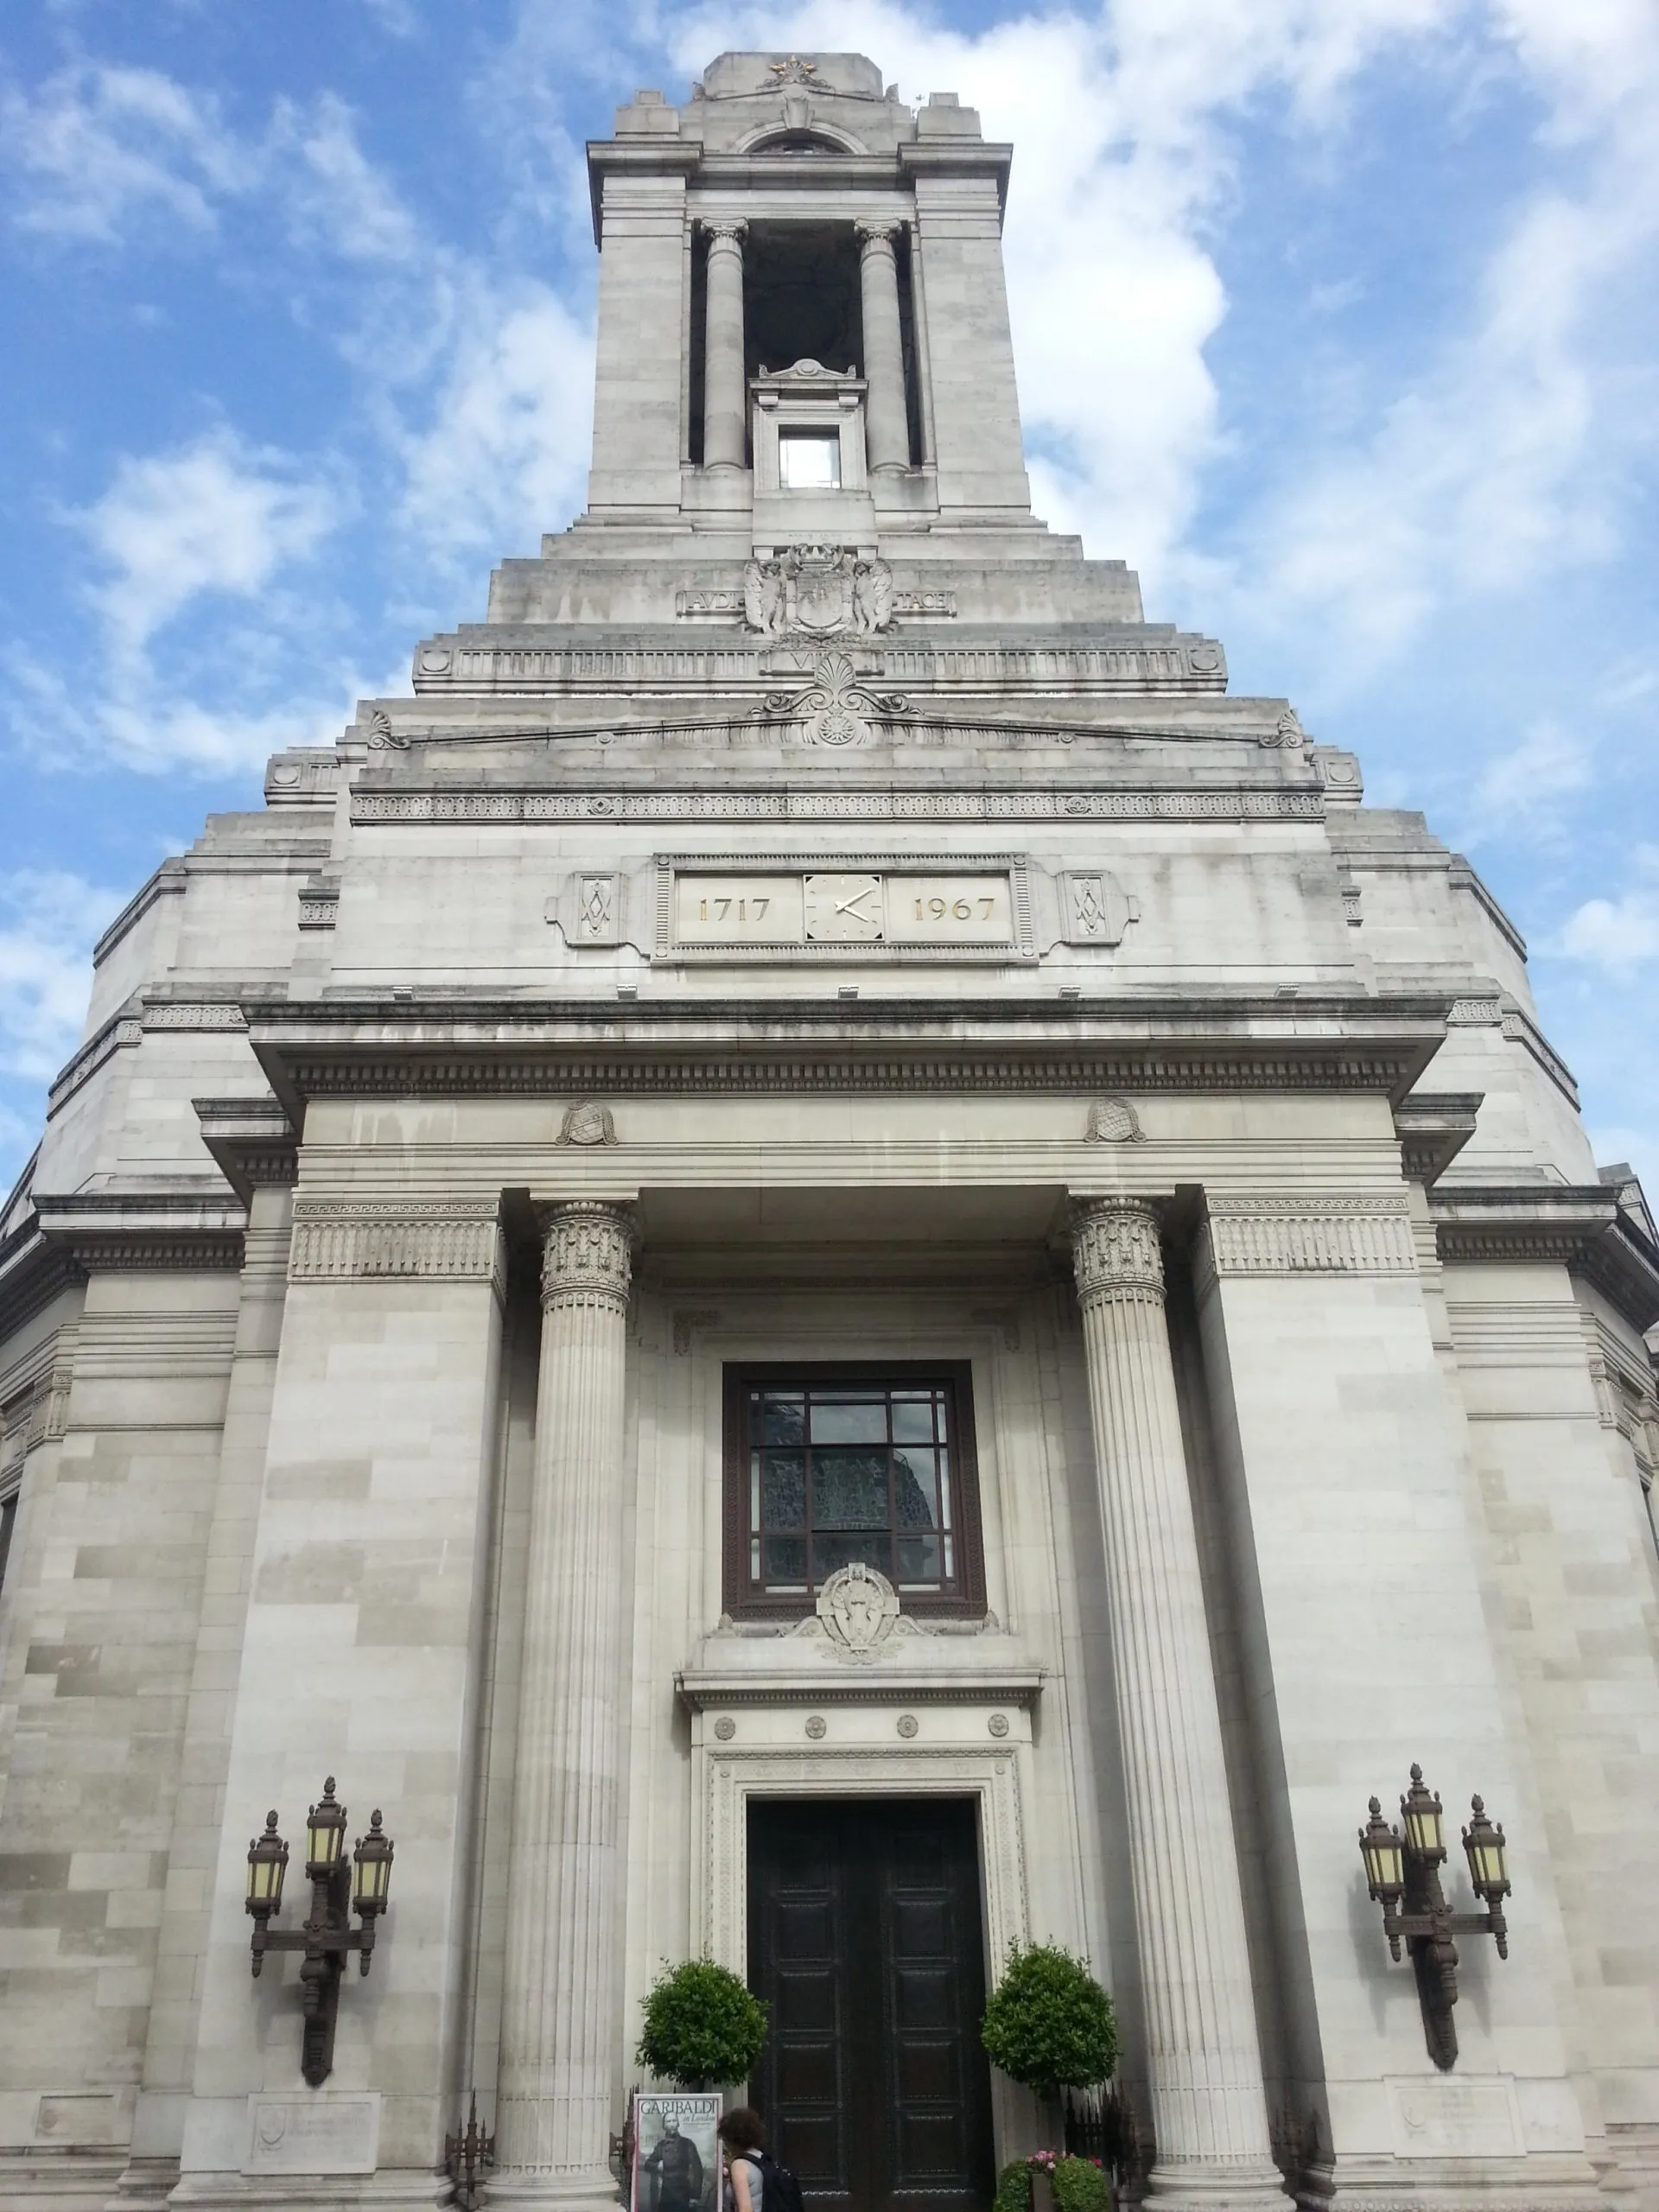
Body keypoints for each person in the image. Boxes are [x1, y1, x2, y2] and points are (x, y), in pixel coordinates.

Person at [641, 2113, 705, 2212]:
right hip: (667, 2195)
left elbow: (698, 2170)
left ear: (678, 2123)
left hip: (684, 2195)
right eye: (668, 2121)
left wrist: (695, 2196)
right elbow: (647, 2165)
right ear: (664, 2126)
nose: (672, 2124)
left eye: (674, 2121)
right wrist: (657, 2166)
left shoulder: (687, 2144)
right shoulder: (661, 2146)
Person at [717, 2107, 766, 2212]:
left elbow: (745, 2209)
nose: (725, 2145)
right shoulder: (761, 2158)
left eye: (725, 2139)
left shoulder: (739, 2165)